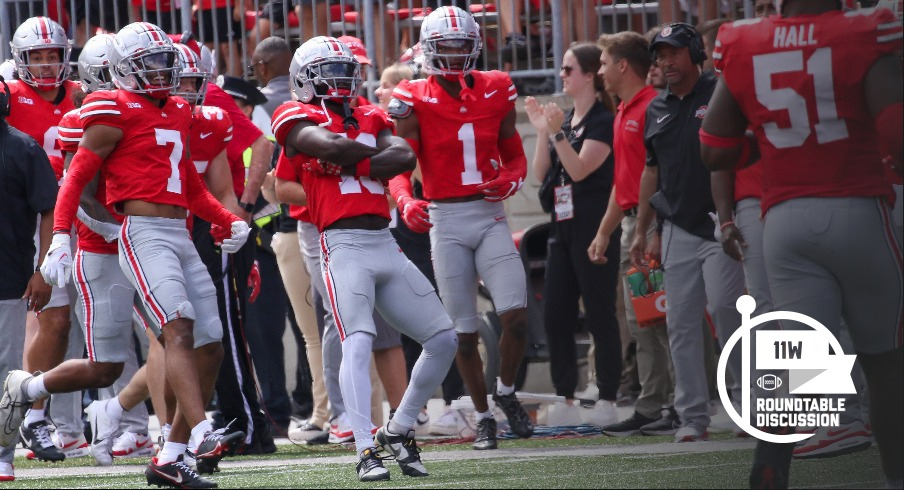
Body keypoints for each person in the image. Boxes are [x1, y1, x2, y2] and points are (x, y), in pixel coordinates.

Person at [2, 22, 249, 488]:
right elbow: (77, 180)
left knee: (209, 344)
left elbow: (189, 183)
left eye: (164, 63)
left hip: (176, 231)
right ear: (118, 71)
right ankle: (199, 431)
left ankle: (170, 454)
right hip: (131, 235)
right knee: (171, 330)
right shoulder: (109, 106)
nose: (160, 73)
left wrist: (225, 219)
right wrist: (60, 236)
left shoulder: (178, 109)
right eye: (148, 64)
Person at [701, 1, 902, 487]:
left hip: (784, 218)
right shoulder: (862, 31)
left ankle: (770, 463)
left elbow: (714, 148)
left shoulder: (744, 40)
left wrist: (769, 141)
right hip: (857, 205)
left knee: (797, 357)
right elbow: (896, 130)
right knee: (884, 358)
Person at [271, 35, 458, 482]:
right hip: (342, 245)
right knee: (357, 339)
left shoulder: (373, 114)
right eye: (329, 72)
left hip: (384, 242)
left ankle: (398, 427)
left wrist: (349, 163)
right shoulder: (294, 115)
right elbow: (331, 147)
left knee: (443, 338)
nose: (341, 80)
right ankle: (364, 446)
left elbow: (405, 155)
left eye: (345, 71)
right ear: (305, 78)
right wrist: (364, 158)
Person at [388, 6, 533, 451]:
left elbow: (514, 154)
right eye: (444, 47)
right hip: (446, 220)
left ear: (475, 47)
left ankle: (506, 392)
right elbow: (397, 163)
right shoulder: (411, 95)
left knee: (517, 315)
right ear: (429, 50)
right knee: (462, 335)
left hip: (488, 215)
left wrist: (512, 177)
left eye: (461, 46)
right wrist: (406, 199)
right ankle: (484, 415)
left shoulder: (497, 87)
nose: (453, 55)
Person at [630, 23, 746, 443]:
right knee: (679, 323)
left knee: (727, 311)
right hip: (676, 226)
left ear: (695, 53)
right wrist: (645, 230)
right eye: (659, 55)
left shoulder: (720, 93)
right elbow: (652, 170)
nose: (665, 61)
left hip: (719, 223)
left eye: (673, 52)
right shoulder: (656, 108)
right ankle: (692, 416)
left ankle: (744, 407)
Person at [525, 42, 621, 425]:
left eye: (568, 69)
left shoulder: (601, 121)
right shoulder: (564, 120)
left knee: (599, 313)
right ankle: (565, 395)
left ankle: (609, 398)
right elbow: (540, 175)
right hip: (562, 228)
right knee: (556, 314)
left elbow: (581, 171)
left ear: (589, 75)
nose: (562, 75)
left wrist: (558, 135)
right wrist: (542, 133)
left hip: (594, 226)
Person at [588, 31, 675, 437]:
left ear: (623, 65)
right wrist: (604, 233)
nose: (599, 70)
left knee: (655, 318)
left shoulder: (653, 107)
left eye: (604, 63)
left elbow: (656, 177)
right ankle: (659, 404)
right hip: (632, 224)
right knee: (646, 319)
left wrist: (646, 228)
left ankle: (665, 404)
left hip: (648, 225)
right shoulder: (626, 109)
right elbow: (624, 183)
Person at [5, 16, 80, 463]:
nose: (48, 64)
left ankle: (34, 414)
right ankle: (27, 413)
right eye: (38, 57)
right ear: (20, 60)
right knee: (46, 318)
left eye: (54, 55)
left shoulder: (81, 94)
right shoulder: (10, 97)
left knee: (63, 322)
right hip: (28, 217)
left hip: (75, 216)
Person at [0, 73, 58, 483]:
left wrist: (42, 269)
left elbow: (48, 210)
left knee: (6, 371)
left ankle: (2, 454)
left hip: (8, 274)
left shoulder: (23, 148)